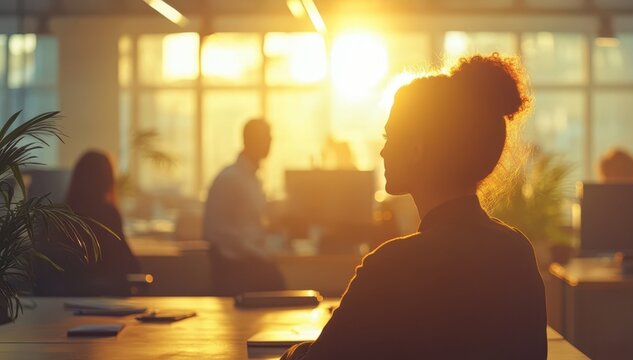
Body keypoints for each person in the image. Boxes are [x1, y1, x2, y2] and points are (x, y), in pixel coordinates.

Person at [281, 54, 547, 359]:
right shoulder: (517, 252)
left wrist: (293, 353)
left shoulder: (391, 266)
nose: (382, 150)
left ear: (417, 149)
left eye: (390, 136)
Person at [34, 150, 140, 296]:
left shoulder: (57, 215)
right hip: (103, 299)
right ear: (107, 182)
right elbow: (129, 264)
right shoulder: (108, 214)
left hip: (60, 299)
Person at [203, 118, 285, 295]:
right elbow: (213, 231)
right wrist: (254, 251)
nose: (271, 143)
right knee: (278, 288)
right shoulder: (230, 179)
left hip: (253, 261)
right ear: (252, 140)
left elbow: (253, 223)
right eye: (267, 138)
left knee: (280, 287)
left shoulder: (253, 179)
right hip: (236, 269)